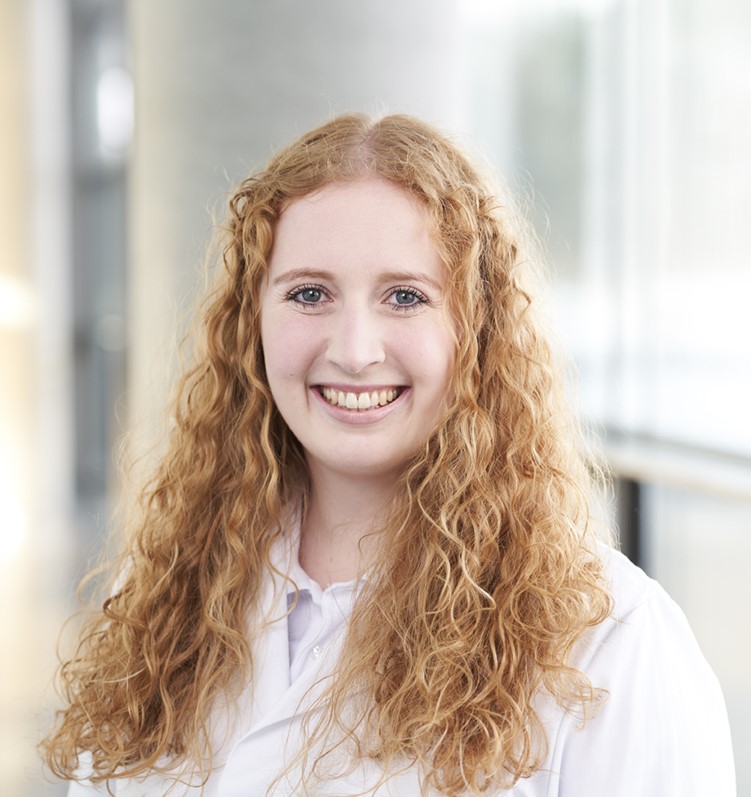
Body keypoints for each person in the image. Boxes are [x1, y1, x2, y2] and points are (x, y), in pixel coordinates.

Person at [43, 113, 735, 796]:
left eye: (405, 297)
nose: (354, 350)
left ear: (476, 328)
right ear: (253, 321)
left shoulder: (613, 641)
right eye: (308, 294)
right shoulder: (170, 592)